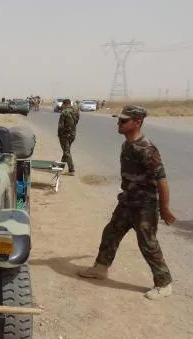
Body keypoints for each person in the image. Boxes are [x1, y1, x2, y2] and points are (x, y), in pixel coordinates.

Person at [78, 105, 176, 300]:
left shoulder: (147, 149)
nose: (119, 124)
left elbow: (162, 181)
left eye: (123, 121)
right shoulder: (127, 145)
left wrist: (164, 208)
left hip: (144, 207)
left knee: (148, 244)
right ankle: (100, 268)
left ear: (137, 122)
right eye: (119, 120)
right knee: (111, 233)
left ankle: (164, 283)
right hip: (127, 202)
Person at [57, 99, 77, 175]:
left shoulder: (64, 112)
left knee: (66, 151)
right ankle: (60, 167)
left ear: (64, 104)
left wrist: (59, 135)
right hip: (72, 134)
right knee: (66, 151)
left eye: (63, 104)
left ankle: (71, 170)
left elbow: (61, 126)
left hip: (65, 135)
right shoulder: (75, 111)